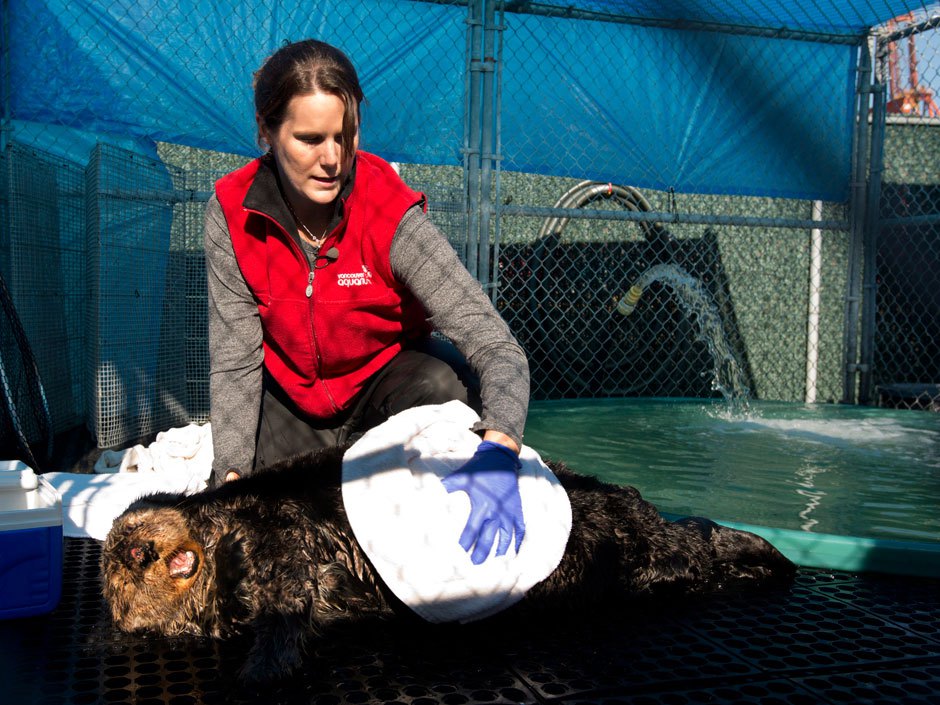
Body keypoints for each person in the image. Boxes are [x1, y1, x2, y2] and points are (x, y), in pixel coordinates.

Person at [204, 39, 530, 564]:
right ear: (266, 132)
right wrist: (230, 476)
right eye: (309, 139)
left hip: (383, 387)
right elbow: (236, 364)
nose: (332, 159)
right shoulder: (230, 214)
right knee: (272, 519)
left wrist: (501, 449)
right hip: (295, 401)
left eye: (345, 135)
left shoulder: (391, 212)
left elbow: (497, 345)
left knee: (444, 384)